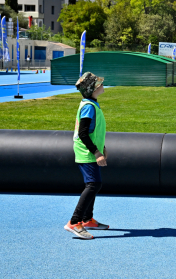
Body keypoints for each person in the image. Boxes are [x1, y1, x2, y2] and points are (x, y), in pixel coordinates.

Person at [64, 72, 109, 240]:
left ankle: (87, 219)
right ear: (93, 89)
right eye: (99, 84)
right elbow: (83, 133)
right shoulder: (89, 107)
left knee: (94, 184)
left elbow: (93, 131)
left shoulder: (91, 104)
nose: (102, 85)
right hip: (86, 152)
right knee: (93, 184)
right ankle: (75, 222)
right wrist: (96, 152)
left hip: (89, 150)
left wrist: (102, 147)